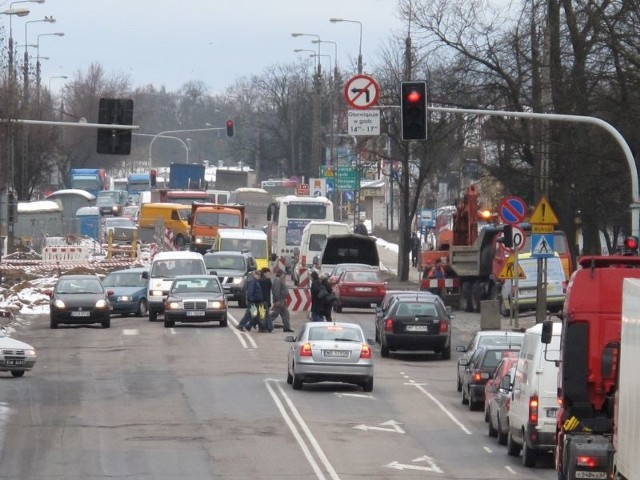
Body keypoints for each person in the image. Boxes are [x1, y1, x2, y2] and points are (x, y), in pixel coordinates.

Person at [271, 268, 293, 332]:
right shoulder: (277, 280)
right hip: (279, 300)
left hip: (282, 300)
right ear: (280, 274)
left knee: (286, 314)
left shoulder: (281, 280)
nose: (284, 275)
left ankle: (287, 327)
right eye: (283, 274)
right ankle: (265, 323)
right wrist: (276, 300)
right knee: (275, 314)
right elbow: (276, 291)